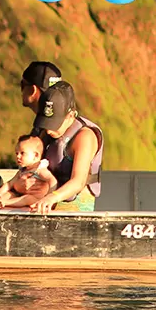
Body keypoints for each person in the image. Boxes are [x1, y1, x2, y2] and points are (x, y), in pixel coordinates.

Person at [31, 80, 104, 212]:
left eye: (54, 123)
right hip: (42, 199)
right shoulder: (46, 133)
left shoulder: (85, 137)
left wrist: (52, 197)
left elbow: (78, 181)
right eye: (46, 123)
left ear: (70, 115)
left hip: (75, 206)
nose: (48, 130)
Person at [0, 134, 58, 209]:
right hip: (20, 196)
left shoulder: (40, 169)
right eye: (16, 153)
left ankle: (1, 203)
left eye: (22, 153)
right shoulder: (23, 170)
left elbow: (52, 181)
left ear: (36, 156)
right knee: (9, 194)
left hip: (36, 200)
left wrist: (49, 198)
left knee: (27, 198)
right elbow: (10, 184)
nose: (18, 156)